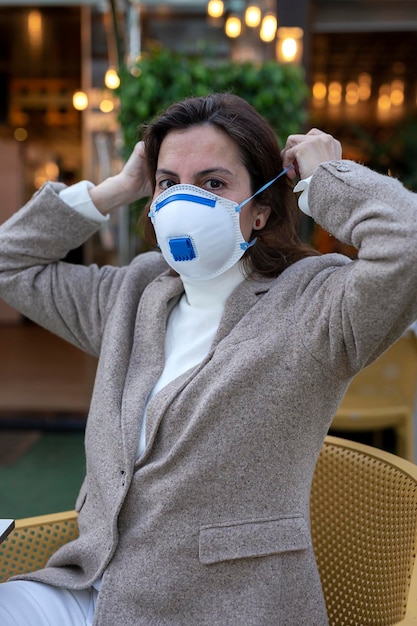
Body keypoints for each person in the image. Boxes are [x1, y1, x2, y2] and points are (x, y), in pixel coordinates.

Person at [0, 92, 417, 626]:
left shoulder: (315, 305)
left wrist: (328, 178)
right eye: (169, 182)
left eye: (213, 183)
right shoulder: (135, 292)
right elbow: (12, 263)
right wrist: (117, 188)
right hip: (92, 587)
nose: (184, 201)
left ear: (261, 209)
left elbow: (406, 244)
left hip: (219, 605)